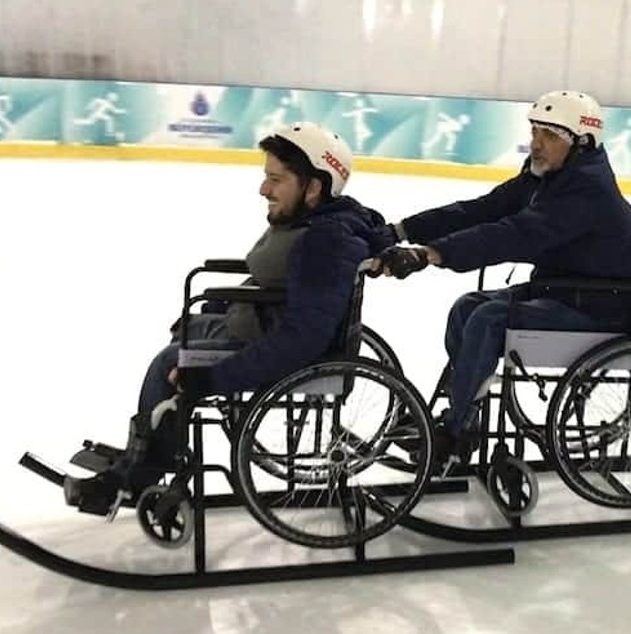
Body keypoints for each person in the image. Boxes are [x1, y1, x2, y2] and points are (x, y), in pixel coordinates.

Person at [64, 122, 390, 515]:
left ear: (314, 187)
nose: (263, 190)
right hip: (261, 325)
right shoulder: (314, 227)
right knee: (188, 331)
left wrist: (211, 378)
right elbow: (284, 288)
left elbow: (301, 339)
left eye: (276, 179)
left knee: (172, 361)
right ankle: (153, 446)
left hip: (292, 353)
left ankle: (143, 472)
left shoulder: (325, 242)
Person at [374, 90, 631, 472]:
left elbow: (517, 233)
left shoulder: (587, 190)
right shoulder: (548, 176)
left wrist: (432, 254)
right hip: (565, 290)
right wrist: (404, 230)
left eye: (550, 136)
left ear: (581, 142)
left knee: (489, 319)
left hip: (598, 307)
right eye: (535, 131)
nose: (536, 143)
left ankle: (451, 437)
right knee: (467, 307)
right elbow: (484, 209)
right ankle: (463, 416)